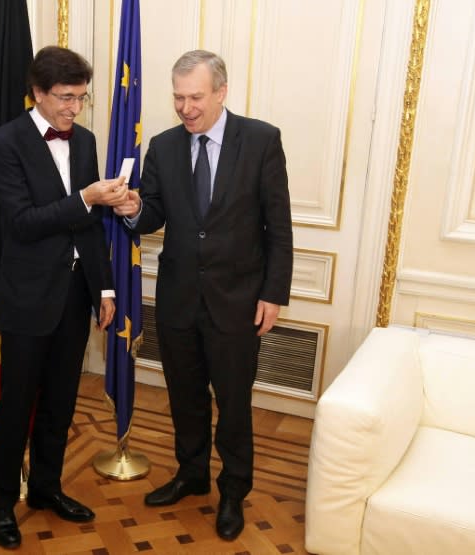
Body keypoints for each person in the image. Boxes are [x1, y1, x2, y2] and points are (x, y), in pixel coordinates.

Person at [114, 50, 293, 541]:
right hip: (178, 301)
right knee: (185, 399)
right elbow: (152, 213)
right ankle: (191, 475)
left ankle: (233, 490)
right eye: (178, 97)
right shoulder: (164, 145)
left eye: (195, 97)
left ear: (221, 92)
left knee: (232, 404)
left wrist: (273, 293)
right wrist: (132, 207)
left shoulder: (260, 140)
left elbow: (278, 226)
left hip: (237, 301)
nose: (185, 108)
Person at [0, 46, 128, 549]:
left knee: (61, 404)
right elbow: (22, 224)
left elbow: (90, 228)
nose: (75, 109)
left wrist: (104, 286)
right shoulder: (4, 143)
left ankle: (46, 488)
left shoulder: (84, 140)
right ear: (38, 93)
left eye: (81, 99)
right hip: (26, 299)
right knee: (16, 408)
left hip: (74, 295)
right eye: (66, 98)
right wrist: (86, 197)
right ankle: (2, 504)